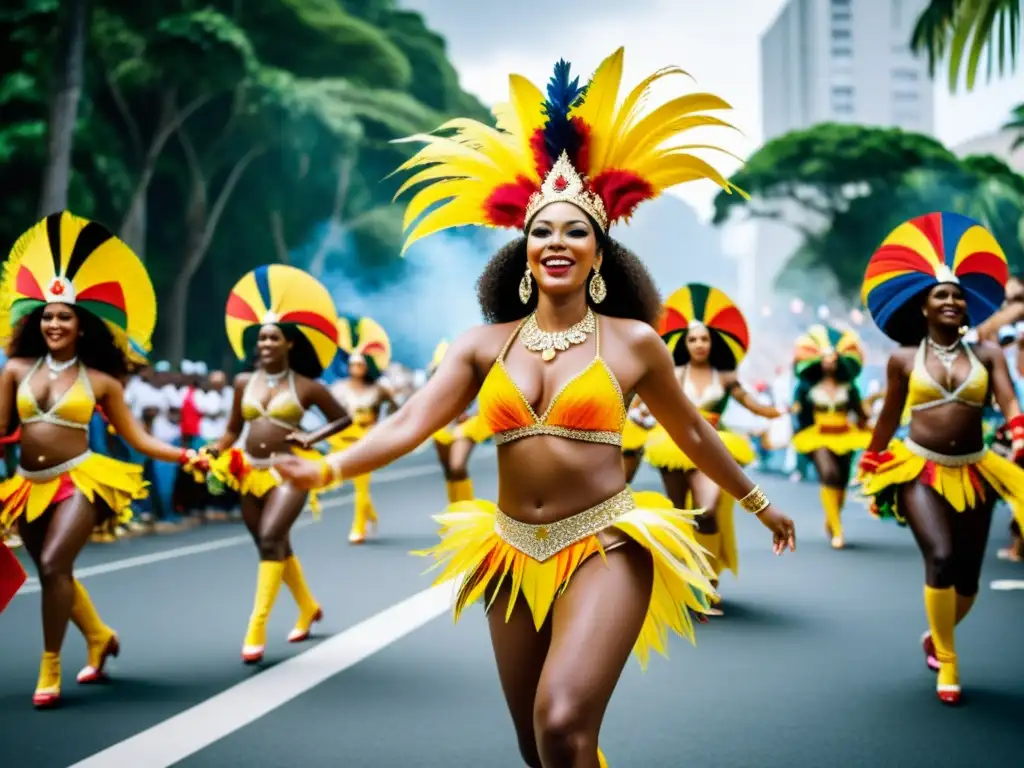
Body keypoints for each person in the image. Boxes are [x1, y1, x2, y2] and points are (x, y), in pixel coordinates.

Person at [274, 48, 795, 767]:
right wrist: (326, 471)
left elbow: (696, 435)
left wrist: (760, 502)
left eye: (575, 230)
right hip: (510, 550)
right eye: (541, 231)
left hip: (608, 542)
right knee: (537, 749)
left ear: (598, 252)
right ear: (524, 251)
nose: (556, 241)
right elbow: (405, 422)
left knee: (561, 723)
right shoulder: (481, 345)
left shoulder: (635, 342)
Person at [0, 212, 205, 708]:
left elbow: (138, 438)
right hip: (29, 483)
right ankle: (99, 636)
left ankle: (50, 667)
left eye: (63, 316)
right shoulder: (15, 368)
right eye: (47, 315)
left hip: (81, 480)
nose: (53, 323)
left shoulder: (103, 381)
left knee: (52, 563)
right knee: (55, 573)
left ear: (81, 325)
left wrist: (190, 455)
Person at [858, 211, 1024, 706]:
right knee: (943, 557)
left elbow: (1009, 400)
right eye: (940, 295)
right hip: (918, 467)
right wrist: (871, 460)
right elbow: (888, 417)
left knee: (968, 578)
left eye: (956, 295)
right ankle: (948, 664)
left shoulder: (989, 354)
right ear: (924, 307)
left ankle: (937, 634)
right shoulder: (903, 359)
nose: (951, 301)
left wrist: (1018, 434)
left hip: (977, 469)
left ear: (966, 306)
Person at [206, 264, 350, 663]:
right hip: (248, 471)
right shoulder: (242, 383)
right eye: (262, 337)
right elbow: (232, 429)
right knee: (272, 543)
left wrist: (310, 437)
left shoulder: (306, 386)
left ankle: (256, 627)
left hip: (290, 470)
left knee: (270, 538)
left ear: (289, 344)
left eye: (274, 338)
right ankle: (307, 606)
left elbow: (344, 418)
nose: (266, 343)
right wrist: (213, 451)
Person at [644, 283, 784, 612]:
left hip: (712, 444)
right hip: (674, 445)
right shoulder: (674, 372)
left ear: (713, 342)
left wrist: (769, 412)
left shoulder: (725, 377)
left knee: (707, 511)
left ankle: (707, 583)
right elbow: (654, 400)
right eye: (693, 339)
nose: (699, 344)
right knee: (679, 514)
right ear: (684, 342)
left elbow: (748, 400)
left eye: (704, 338)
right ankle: (678, 580)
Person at [790, 324, 872, 549]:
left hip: (845, 435)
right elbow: (800, 414)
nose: (829, 362)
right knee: (829, 473)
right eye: (825, 358)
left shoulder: (850, 387)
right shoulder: (806, 388)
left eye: (833, 358)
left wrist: (869, 414)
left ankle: (831, 517)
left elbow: (860, 412)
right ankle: (838, 530)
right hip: (818, 436)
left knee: (842, 481)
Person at [328, 315, 398, 544]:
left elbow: (396, 409)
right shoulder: (338, 389)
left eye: (360, 364)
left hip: (367, 439)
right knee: (339, 479)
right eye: (352, 364)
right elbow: (330, 414)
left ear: (367, 366)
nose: (355, 368)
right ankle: (370, 513)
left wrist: (382, 426)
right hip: (342, 439)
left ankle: (358, 528)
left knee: (361, 483)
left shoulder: (379, 390)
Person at [428, 340, 493, 503]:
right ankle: (454, 513)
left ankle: (467, 514)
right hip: (442, 427)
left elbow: (486, 398)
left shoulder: (474, 375)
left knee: (457, 466)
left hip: (467, 426)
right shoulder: (433, 383)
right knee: (449, 471)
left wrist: (470, 414)